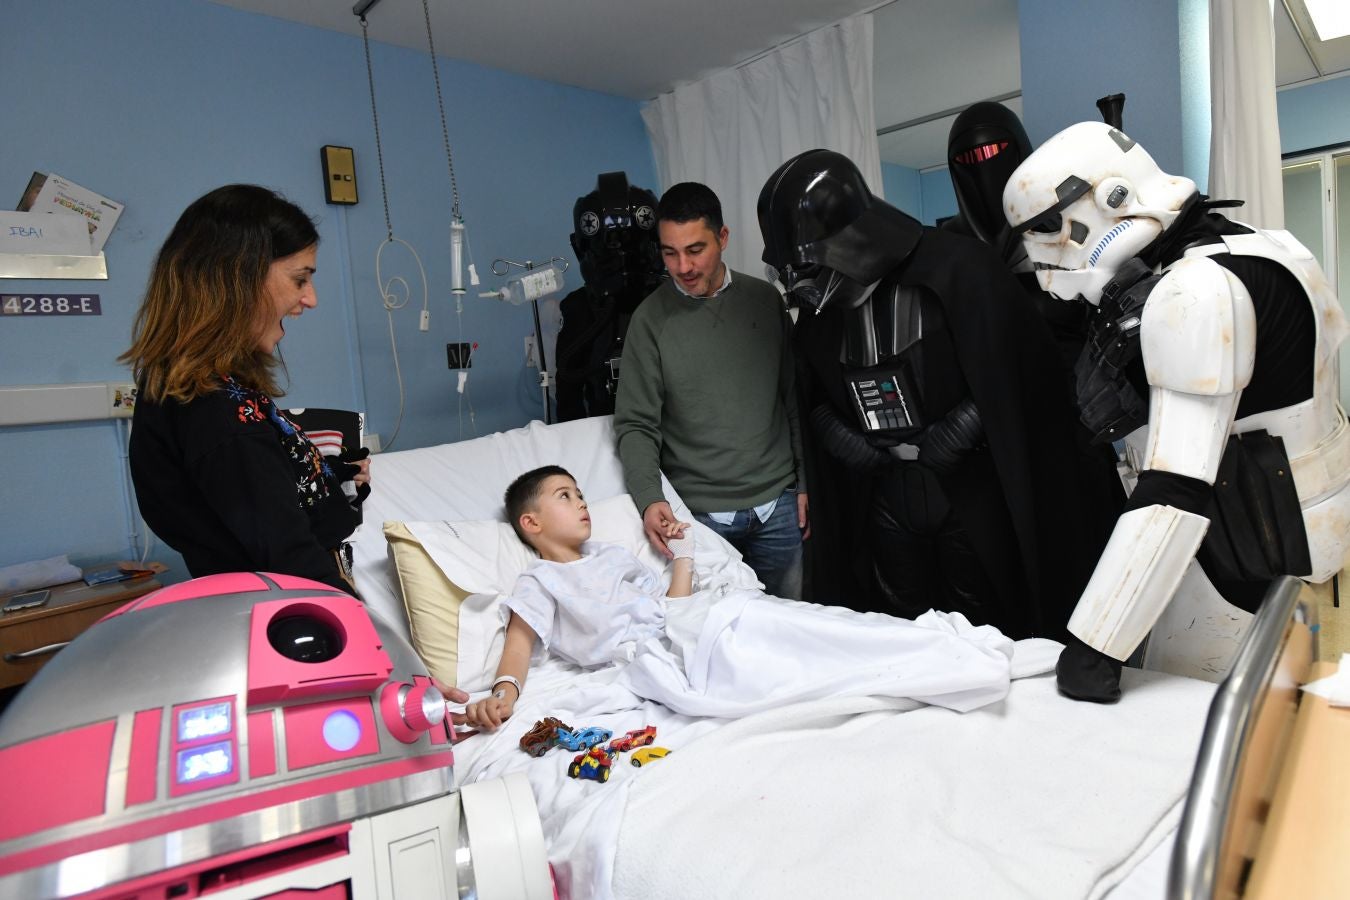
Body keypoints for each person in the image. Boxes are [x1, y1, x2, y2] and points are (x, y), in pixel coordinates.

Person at [1003, 121, 1350, 702]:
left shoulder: (1193, 291)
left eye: (1048, 228)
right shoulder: (1265, 245)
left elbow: (1176, 487)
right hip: (1304, 538)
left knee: (1207, 734)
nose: (1044, 254)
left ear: (1111, 197)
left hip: (1235, 555)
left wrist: (1096, 647)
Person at [758, 149, 1117, 641]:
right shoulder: (820, 316)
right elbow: (811, 388)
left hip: (966, 488)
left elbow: (1019, 370)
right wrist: (836, 433)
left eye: (808, 266)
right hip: (886, 490)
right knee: (898, 627)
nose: (801, 285)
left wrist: (966, 425)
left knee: (985, 626)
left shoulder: (962, 268)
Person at [463, 466, 1022, 731]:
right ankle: (926, 659)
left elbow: (675, 605)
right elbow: (518, 643)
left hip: (694, 622)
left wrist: (682, 557)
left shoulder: (612, 555)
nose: (582, 503)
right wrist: (504, 693)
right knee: (796, 656)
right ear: (531, 522)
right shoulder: (540, 582)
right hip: (660, 654)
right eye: (566, 497)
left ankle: (926, 646)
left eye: (582, 493)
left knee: (807, 626)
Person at [119, 184, 370, 595]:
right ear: (237, 276)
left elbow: (255, 490)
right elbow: (290, 556)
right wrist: (363, 634)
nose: (311, 298)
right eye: (299, 279)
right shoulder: (216, 411)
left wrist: (334, 472)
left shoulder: (206, 389)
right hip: (292, 612)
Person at [613, 182, 809, 599]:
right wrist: (650, 499)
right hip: (700, 518)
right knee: (714, 644)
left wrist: (807, 481)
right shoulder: (649, 321)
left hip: (779, 506)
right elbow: (636, 424)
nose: (683, 266)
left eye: (695, 249)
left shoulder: (764, 301)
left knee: (788, 633)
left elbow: (794, 397)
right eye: (669, 253)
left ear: (722, 238)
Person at [555, 172, 665, 420]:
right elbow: (568, 399)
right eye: (610, 252)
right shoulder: (579, 309)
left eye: (631, 247)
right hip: (603, 429)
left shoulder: (672, 301)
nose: (621, 261)